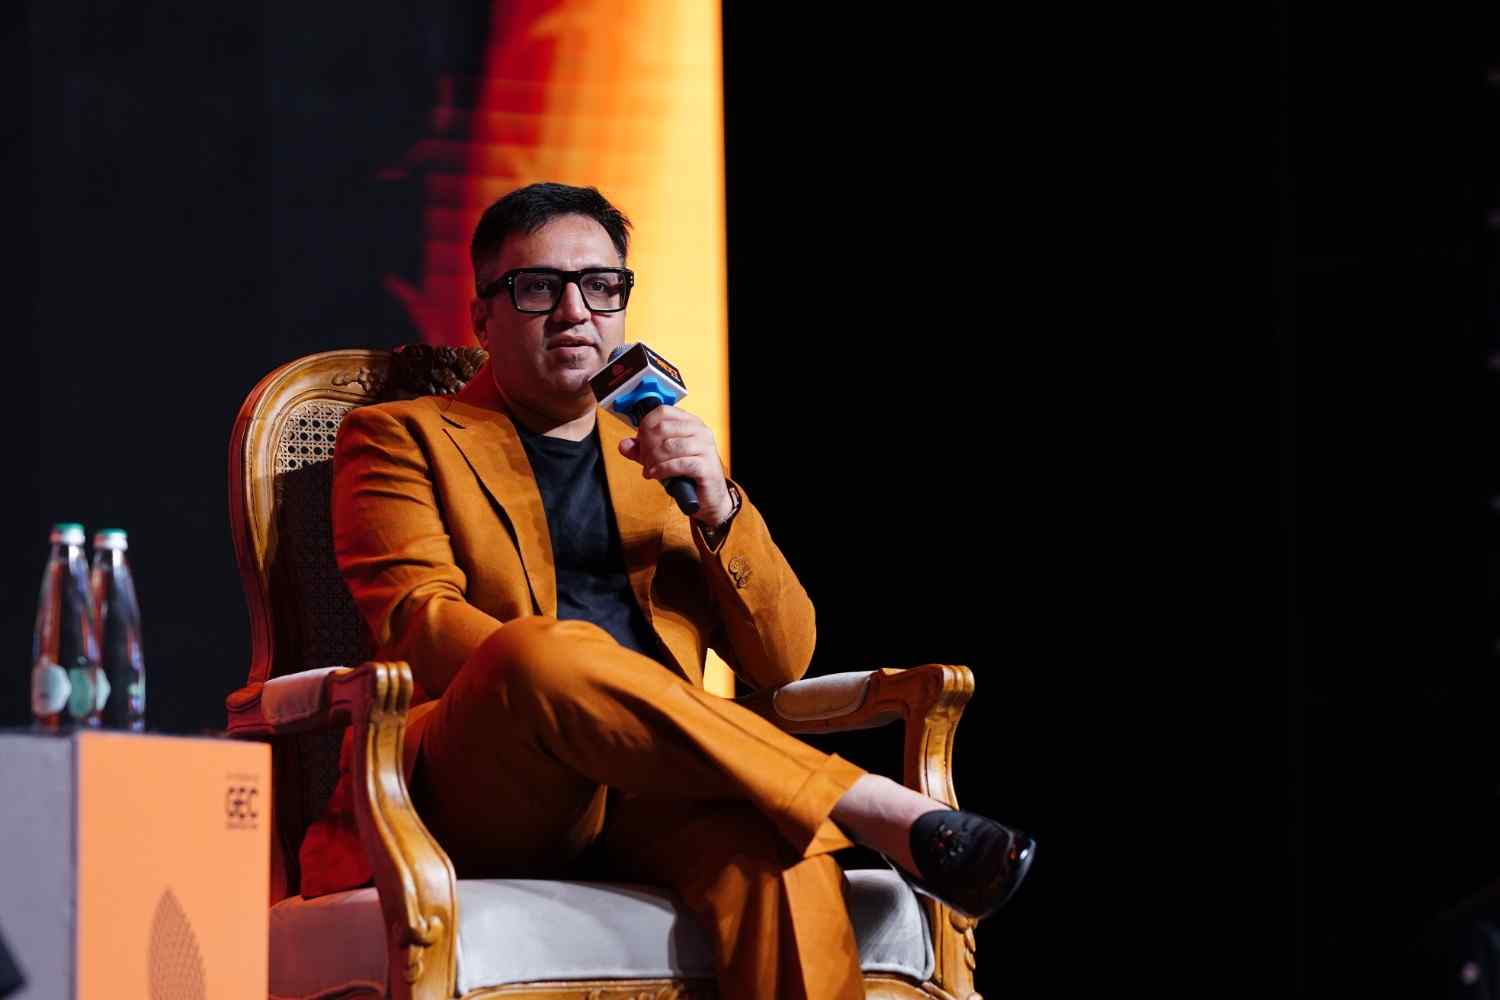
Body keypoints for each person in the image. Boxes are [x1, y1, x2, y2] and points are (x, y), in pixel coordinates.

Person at [311, 182, 1034, 999]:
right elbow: (420, 622)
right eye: (539, 287)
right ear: (483, 317)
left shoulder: (655, 453)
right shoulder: (400, 436)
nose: (575, 312)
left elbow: (783, 659)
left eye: (601, 287)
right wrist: (569, 673)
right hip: (487, 781)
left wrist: (719, 505)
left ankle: (835, 808)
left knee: (781, 854)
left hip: (648, 785)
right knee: (537, 652)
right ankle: (872, 805)